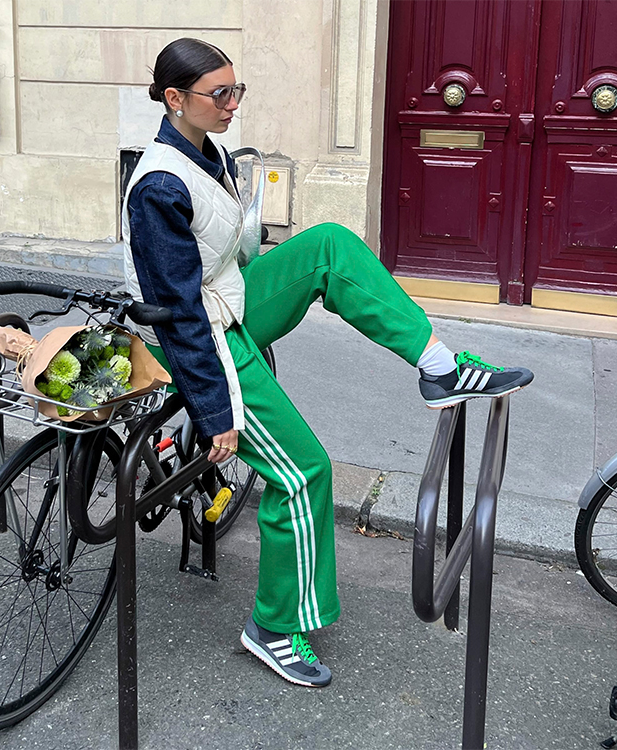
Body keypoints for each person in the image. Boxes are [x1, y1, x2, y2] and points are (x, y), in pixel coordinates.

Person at [121, 38, 533, 688]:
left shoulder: (205, 150)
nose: (232, 104)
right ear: (174, 99)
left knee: (329, 246)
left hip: (226, 298)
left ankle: (439, 366)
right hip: (196, 336)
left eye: (236, 90)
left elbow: (219, 255)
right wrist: (215, 411)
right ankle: (273, 627)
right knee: (303, 470)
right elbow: (178, 314)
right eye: (219, 94)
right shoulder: (159, 186)